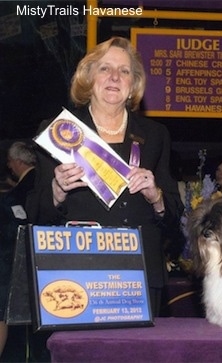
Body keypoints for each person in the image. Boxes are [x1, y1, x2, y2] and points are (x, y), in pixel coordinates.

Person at [27, 37, 184, 318]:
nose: (114, 77)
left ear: (133, 83)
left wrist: (156, 196)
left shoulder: (156, 135)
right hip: (77, 277)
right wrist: (56, 191)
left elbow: (175, 216)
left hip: (142, 277)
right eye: (105, 69)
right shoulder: (59, 131)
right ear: (88, 77)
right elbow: (35, 212)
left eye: (124, 71)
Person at [0, 141, 37, 357]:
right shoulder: (42, 180)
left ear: (16, 162)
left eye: (10, 162)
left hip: (14, 264)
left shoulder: (18, 194)